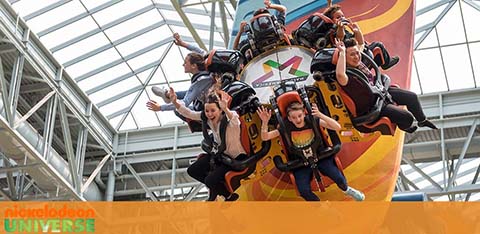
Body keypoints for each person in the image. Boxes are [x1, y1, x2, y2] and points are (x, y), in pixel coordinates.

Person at [256, 102, 365, 201]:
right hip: (301, 162)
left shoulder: (312, 120)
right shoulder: (285, 127)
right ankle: (321, 207)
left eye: (299, 116)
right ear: (289, 118)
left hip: (320, 155)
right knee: (303, 191)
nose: (298, 120)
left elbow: (337, 127)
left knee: (339, 178)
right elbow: (265, 137)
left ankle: (347, 190)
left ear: (304, 114)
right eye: (294, 117)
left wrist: (320, 115)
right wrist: (265, 122)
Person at [335, 38, 438, 133]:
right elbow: (340, 75)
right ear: (345, 58)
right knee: (408, 118)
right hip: (374, 106)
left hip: (380, 92)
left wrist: (356, 32)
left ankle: (422, 120)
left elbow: (361, 45)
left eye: (357, 53)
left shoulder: (360, 64)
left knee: (412, 97)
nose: (357, 57)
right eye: (352, 55)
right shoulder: (348, 77)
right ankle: (403, 126)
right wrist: (342, 52)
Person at [170, 87, 246, 201]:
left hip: (234, 158)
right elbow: (189, 113)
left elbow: (236, 121)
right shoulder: (208, 120)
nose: (209, 114)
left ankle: (229, 196)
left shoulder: (229, 118)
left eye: (213, 110)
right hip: (220, 155)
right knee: (192, 170)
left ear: (220, 110)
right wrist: (175, 102)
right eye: (207, 111)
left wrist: (226, 109)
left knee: (209, 180)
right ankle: (216, 188)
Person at [323, 4, 399, 70]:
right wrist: (340, 28)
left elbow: (360, 41)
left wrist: (356, 31)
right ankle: (386, 64)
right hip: (354, 57)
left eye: (343, 16)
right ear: (332, 21)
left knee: (368, 44)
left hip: (358, 51)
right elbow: (340, 37)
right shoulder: (336, 31)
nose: (342, 18)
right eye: (338, 17)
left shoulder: (344, 30)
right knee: (379, 45)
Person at [146, 52, 213, 112]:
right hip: (202, 99)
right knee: (188, 93)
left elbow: (184, 103)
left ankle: (168, 95)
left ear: (193, 66)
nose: (183, 64)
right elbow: (201, 51)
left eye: (185, 62)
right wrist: (183, 44)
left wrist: (160, 108)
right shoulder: (207, 76)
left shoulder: (199, 82)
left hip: (205, 108)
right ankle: (168, 95)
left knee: (178, 110)